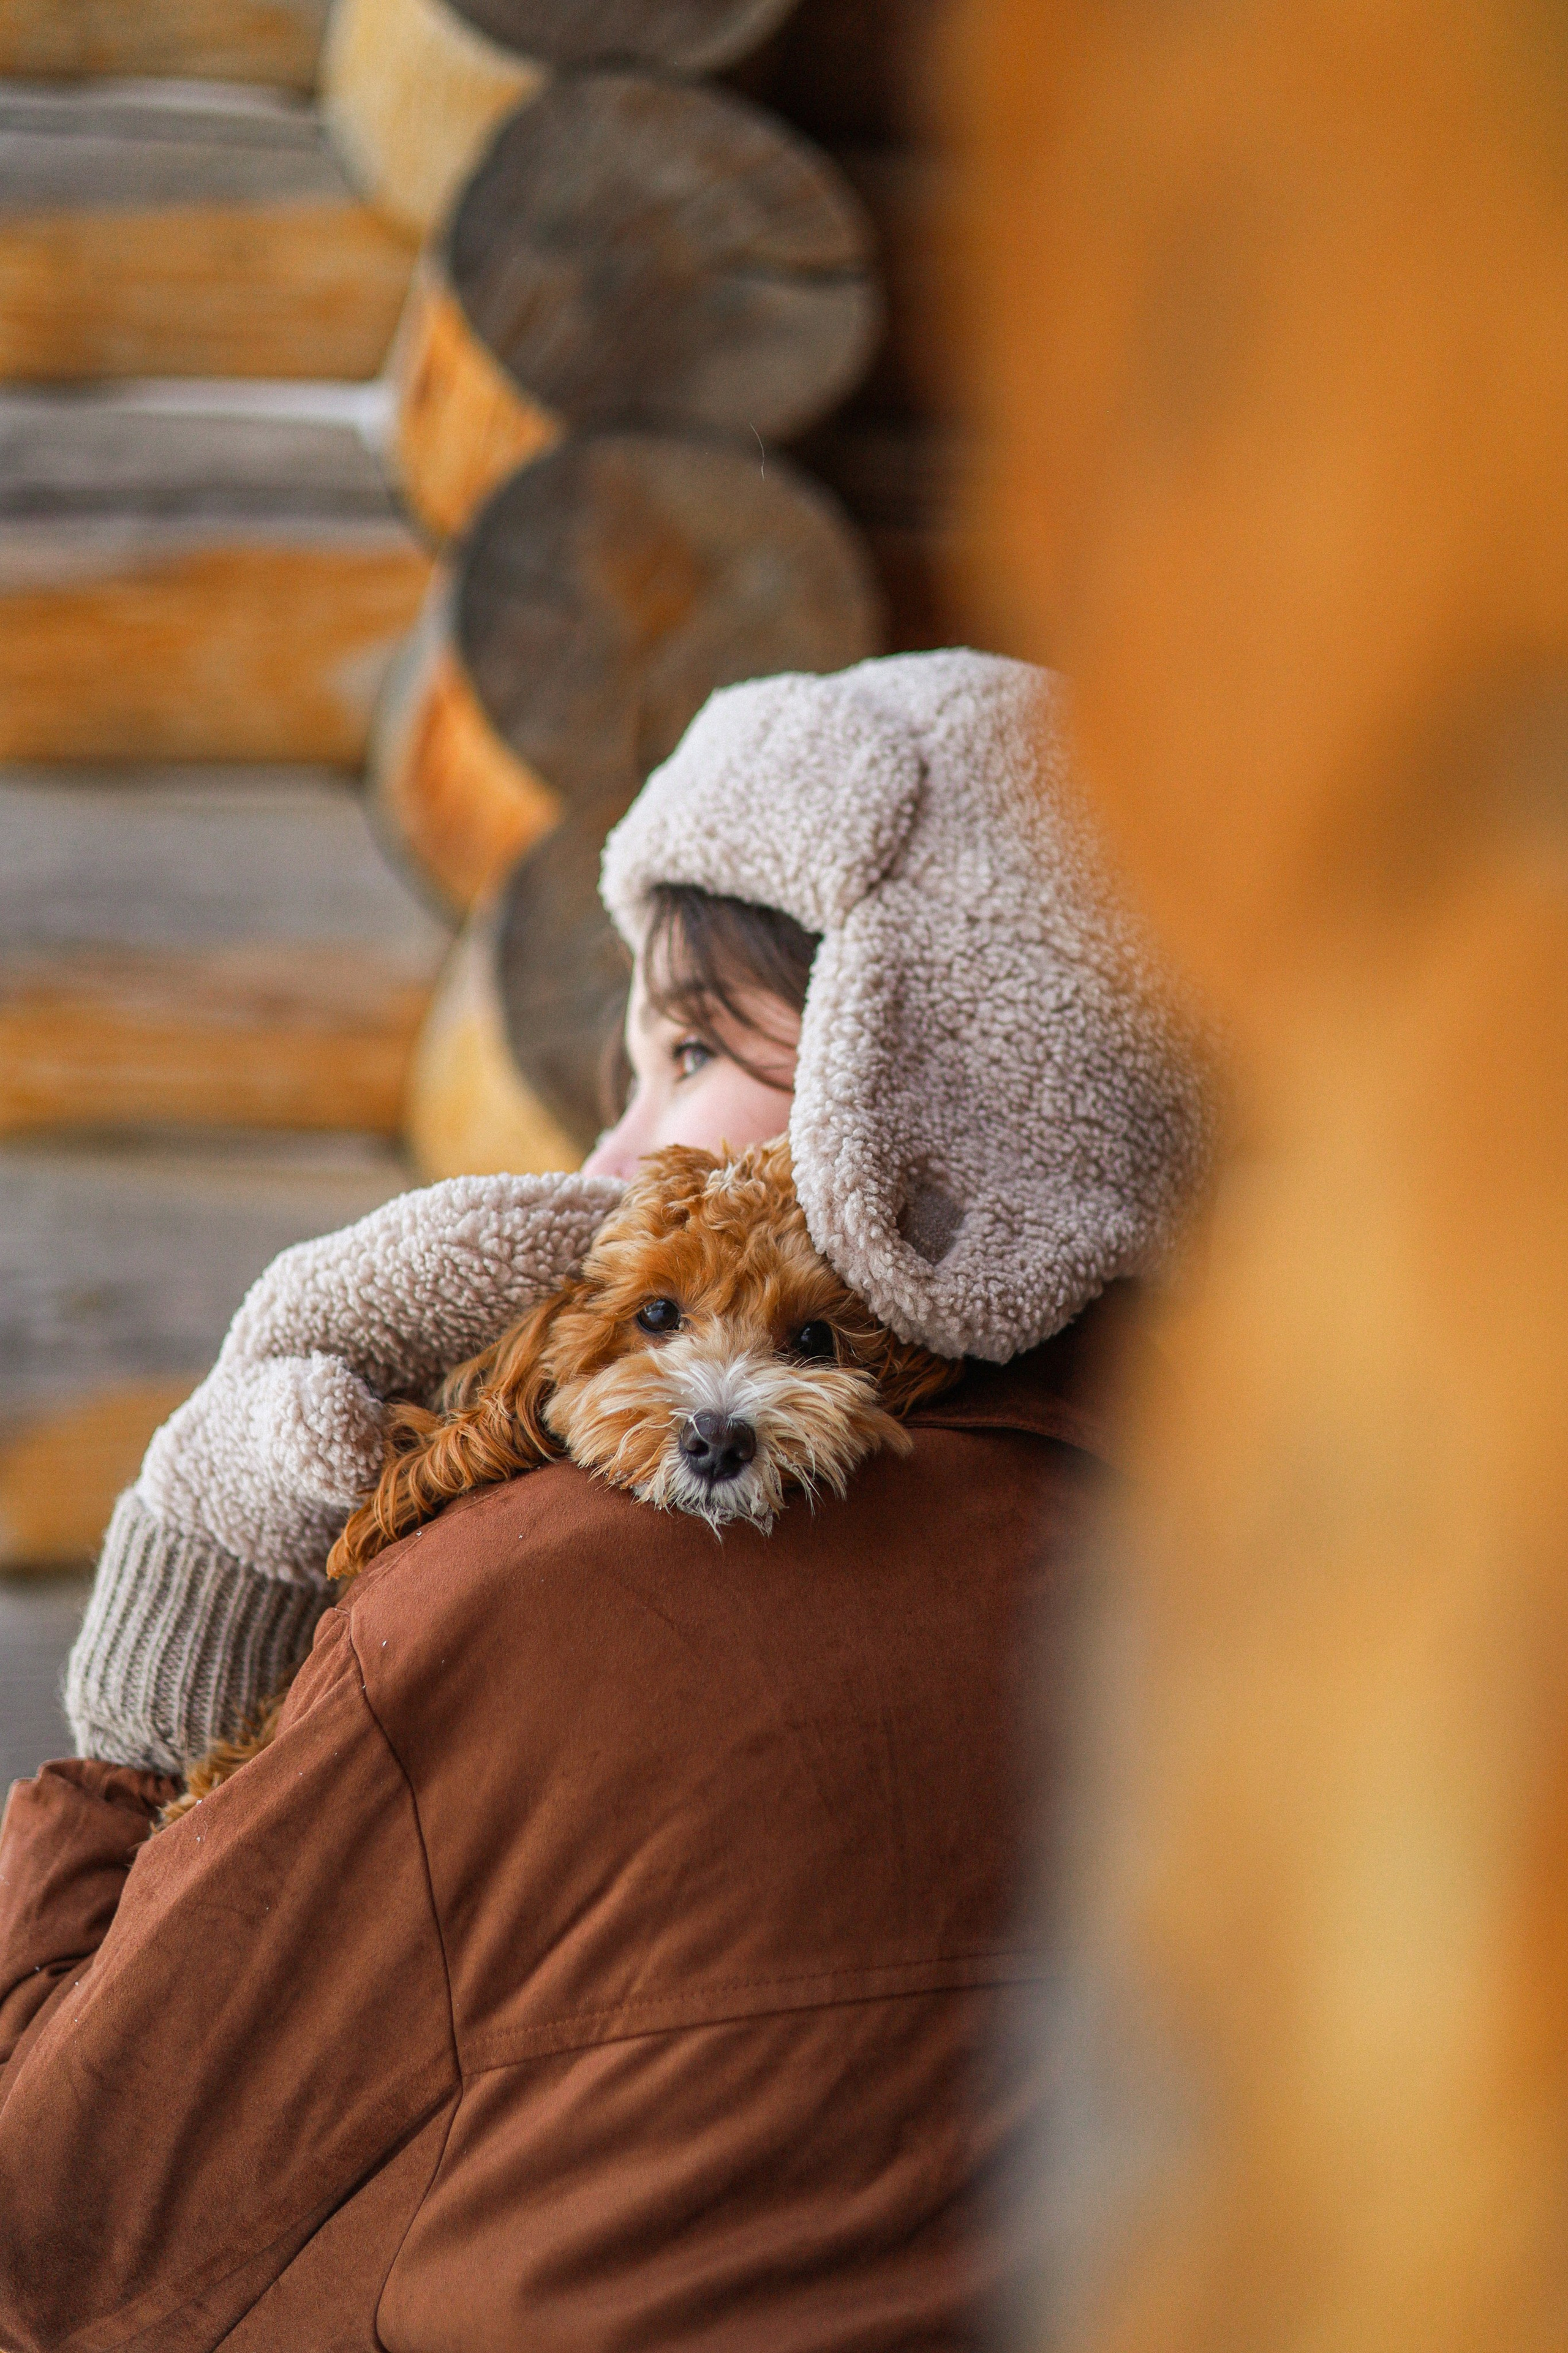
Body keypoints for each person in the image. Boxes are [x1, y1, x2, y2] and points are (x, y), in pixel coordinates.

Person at [0, 651, 1208, 2351]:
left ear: (929, 1092)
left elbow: (59, 2235)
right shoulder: (1282, 1594)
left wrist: (164, 1647)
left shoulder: (535, 1602)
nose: (606, 1162)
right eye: (622, 1074)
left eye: (695, 1050)